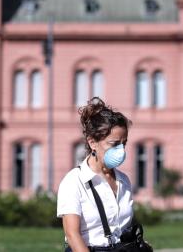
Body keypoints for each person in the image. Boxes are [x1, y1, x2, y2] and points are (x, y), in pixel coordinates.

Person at [57, 97, 136, 252]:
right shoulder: (74, 181)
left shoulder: (124, 180)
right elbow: (72, 235)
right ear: (92, 142)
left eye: (124, 143)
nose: (121, 150)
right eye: (114, 144)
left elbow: (124, 227)